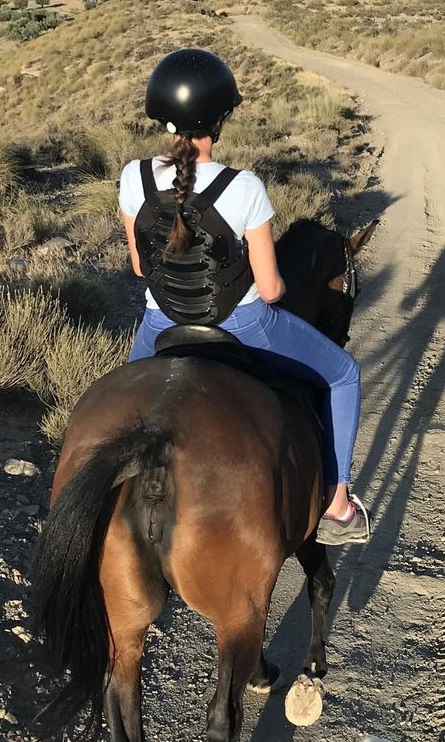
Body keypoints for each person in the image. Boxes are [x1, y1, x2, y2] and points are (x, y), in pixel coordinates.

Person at [119, 48, 370, 545]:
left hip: (159, 322)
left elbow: (139, 267)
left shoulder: (133, 176)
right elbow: (271, 289)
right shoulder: (244, 187)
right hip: (244, 324)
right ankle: (337, 506)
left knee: (123, 411)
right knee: (344, 375)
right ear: (219, 120)